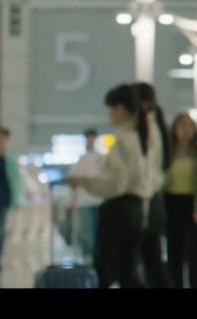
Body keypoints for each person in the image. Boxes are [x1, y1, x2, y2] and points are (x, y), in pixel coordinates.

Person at [66, 84, 149, 288]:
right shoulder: (139, 138)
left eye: (110, 111)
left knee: (104, 267)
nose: (109, 115)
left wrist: (82, 181)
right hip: (136, 208)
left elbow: (116, 184)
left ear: (120, 109)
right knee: (127, 270)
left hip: (120, 210)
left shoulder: (123, 140)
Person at [164, 113, 197, 289]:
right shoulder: (168, 153)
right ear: (175, 129)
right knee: (173, 253)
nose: (185, 130)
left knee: (193, 255)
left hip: (193, 204)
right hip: (171, 203)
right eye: (181, 125)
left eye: (189, 126)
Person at [133, 82, 172, 288]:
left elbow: (147, 172)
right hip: (154, 200)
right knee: (152, 259)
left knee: (146, 260)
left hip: (147, 200)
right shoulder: (156, 125)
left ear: (144, 103)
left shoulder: (148, 129)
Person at [66, 129, 104, 263]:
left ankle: (100, 258)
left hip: (100, 200)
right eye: (88, 138)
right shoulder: (81, 160)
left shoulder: (102, 159)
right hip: (84, 201)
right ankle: (88, 259)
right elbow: (70, 179)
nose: (90, 140)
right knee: (87, 232)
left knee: (100, 232)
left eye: (93, 138)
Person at [0, 127, 22, 272]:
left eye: (3, 139)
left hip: (4, 199)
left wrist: (16, 200)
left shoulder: (10, 159)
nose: (0, 141)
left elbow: (15, 181)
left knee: (1, 232)